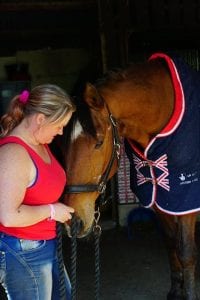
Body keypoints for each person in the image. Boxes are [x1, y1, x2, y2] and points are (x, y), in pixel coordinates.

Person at [0, 84, 76, 300]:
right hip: (23, 250)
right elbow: (8, 215)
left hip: (43, 244)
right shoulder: (14, 154)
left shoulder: (40, 143)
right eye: (60, 125)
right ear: (40, 119)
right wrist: (52, 211)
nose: (61, 131)